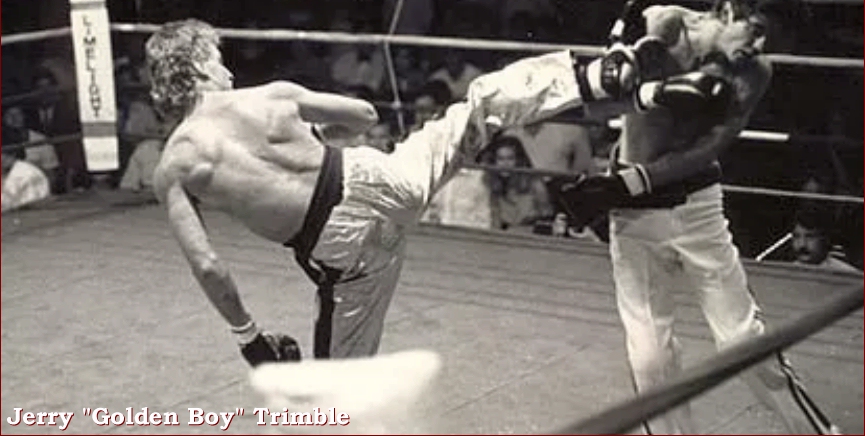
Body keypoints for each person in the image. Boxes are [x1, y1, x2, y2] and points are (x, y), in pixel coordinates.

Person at [146, 18, 722, 367]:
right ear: (196, 66)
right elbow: (365, 114)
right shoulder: (271, 95)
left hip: (344, 251)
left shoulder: (175, 163)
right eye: (217, 61)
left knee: (336, 389)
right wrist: (317, 137)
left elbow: (208, 265)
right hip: (382, 181)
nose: (227, 72)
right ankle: (597, 78)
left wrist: (249, 338)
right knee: (483, 102)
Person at [559, 0, 841, 434]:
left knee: (744, 343)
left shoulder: (755, 72)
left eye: (769, 38)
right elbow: (599, 101)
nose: (759, 46)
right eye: (754, 30)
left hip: (696, 208)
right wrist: (630, 59)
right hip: (632, 210)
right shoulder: (665, 27)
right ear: (727, 11)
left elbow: (711, 145)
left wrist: (635, 181)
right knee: (649, 356)